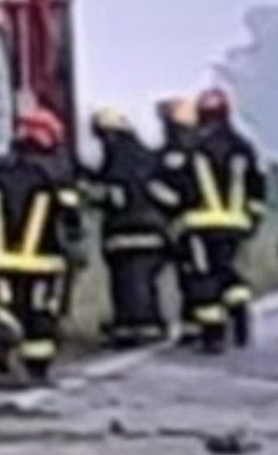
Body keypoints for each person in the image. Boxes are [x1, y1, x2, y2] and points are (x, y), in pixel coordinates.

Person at [0, 108, 84, 383]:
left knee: (8, 311)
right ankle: (37, 370)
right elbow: (71, 217)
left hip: (0, 260)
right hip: (43, 261)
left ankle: (0, 351)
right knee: (40, 315)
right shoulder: (55, 173)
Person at [173, 88, 266, 353]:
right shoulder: (244, 147)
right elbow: (257, 188)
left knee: (204, 276)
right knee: (229, 271)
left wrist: (175, 213)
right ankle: (239, 310)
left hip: (200, 225)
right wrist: (253, 219)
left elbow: (180, 187)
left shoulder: (192, 147)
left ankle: (213, 334)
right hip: (236, 224)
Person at [86, 107, 170, 347]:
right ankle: (148, 323)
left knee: (128, 281)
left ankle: (133, 326)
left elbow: (116, 197)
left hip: (125, 230)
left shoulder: (115, 159)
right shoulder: (145, 155)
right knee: (143, 280)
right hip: (154, 229)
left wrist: (90, 193)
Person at [148, 97, 202, 347]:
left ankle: (196, 323)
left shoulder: (171, 155)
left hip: (187, 223)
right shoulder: (200, 149)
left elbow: (155, 186)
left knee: (191, 275)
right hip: (196, 223)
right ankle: (197, 322)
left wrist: (173, 205)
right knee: (193, 274)